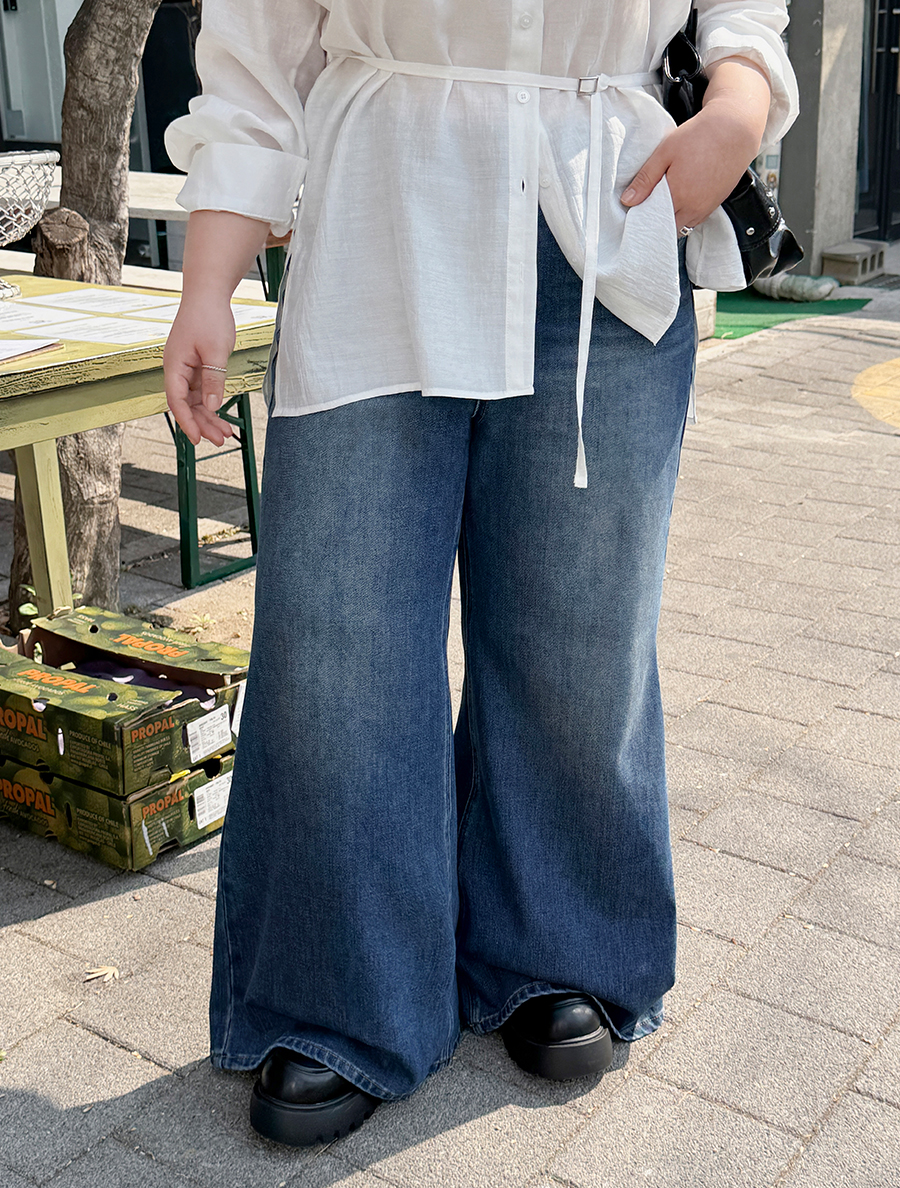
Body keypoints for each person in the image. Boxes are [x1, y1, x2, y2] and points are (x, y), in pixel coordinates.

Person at [163, 0, 798, 1148]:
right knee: (341, 640)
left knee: (580, 635)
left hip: (607, 214)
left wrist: (741, 98)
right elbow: (256, 45)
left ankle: (557, 949)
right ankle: (340, 993)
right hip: (380, 214)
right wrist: (207, 275)